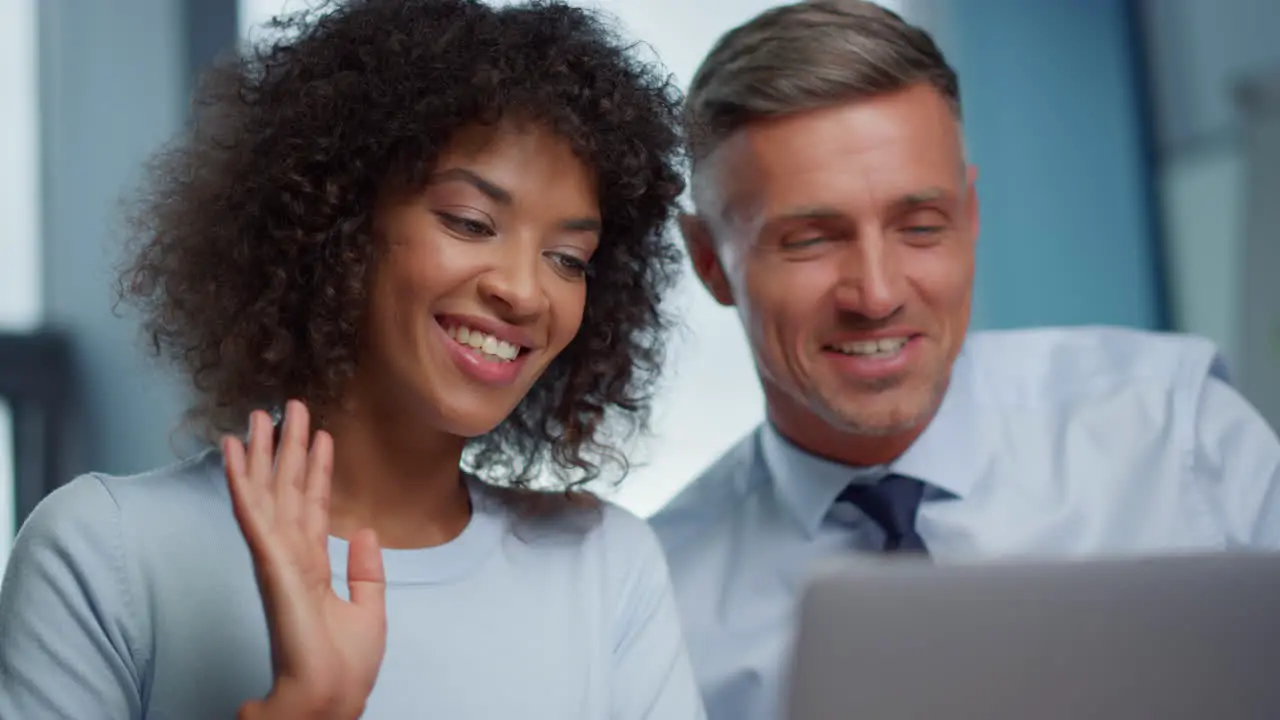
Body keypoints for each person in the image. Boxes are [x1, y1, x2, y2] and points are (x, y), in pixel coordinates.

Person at [0, 1, 706, 718]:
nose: (524, 292)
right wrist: (308, 707)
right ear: (337, 226)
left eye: (567, 258)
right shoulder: (109, 552)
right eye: (469, 222)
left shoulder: (605, 567)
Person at [647, 2, 1280, 719]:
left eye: (920, 227)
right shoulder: (652, 607)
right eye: (811, 240)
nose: (878, 295)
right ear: (709, 262)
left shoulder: (1180, 434)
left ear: (970, 218)